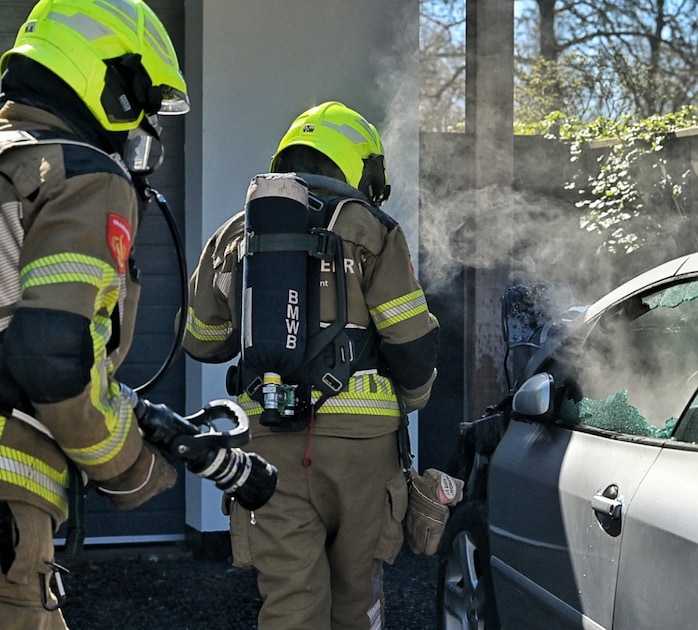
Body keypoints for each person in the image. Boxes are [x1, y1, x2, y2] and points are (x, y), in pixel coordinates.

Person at [183, 101, 440, 630]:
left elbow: (202, 341)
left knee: (291, 603)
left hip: (271, 446)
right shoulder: (373, 231)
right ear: (360, 168)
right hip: (364, 455)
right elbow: (411, 341)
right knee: (356, 602)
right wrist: (413, 400)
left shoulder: (238, 232)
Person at [0, 1, 191, 627]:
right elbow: (52, 357)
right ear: (110, 83)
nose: (141, 130)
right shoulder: (81, 174)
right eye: (142, 106)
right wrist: (132, 471)